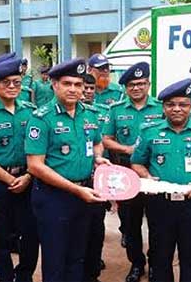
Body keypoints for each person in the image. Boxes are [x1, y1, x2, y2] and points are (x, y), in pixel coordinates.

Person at [131, 78, 191, 282]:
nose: (177, 109)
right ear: (163, 107)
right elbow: (136, 162)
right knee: (160, 257)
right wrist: (147, 177)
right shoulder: (149, 131)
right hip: (160, 204)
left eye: (183, 104)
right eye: (170, 104)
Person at [25, 58, 110, 282]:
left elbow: (97, 142)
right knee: (55, 260)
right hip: (54, 198)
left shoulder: (90, 115)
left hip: (84, 195)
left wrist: (98, 159)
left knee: (77, 258)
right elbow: (34, 165)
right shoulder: (41, 118)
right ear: (54, 85)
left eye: (78, 84)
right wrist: (74, 189)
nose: (73, 89)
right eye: (67, 83)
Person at [0, 56, 39, 282]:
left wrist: (29, 176)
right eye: (5, 83)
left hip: (30, 180)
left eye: (16, 82)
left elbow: (40, 149)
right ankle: (5, 277)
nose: (12, 87)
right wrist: (9, 179)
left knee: (31, 234)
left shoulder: (32, 111)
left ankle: (24, 276)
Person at [103, 62, 163, 282]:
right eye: (131, 85)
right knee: (130, 224)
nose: (137, 88)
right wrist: (127, 149)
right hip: (125, 173)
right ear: (125, 88)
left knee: (157, 223)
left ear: (148, 84)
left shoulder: (161, 107)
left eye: (141, 83)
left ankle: (156, 263)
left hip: (154, 172)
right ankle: (137, 264)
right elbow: (106, 140)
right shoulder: (116, 110)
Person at [82, 73, 111, 282]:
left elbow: (99, 141)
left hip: (97, 179)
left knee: (95, 226)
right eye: (84, 88)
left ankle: (92, 269)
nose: (86, 92)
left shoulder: (97, 113)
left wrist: (97, 157)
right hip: (71, 184)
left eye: (91, 89)